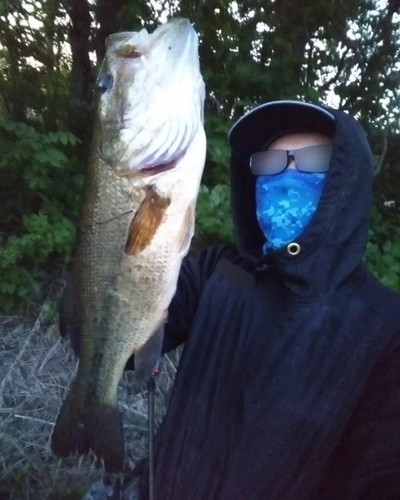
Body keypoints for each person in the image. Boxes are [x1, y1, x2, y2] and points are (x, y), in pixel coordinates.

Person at [80, 100, 400, 500]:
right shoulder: (227, 273)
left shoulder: (384, 330)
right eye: (270, 162)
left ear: (346, 179)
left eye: (313, 159)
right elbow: (119, 344)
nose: (287, 173)